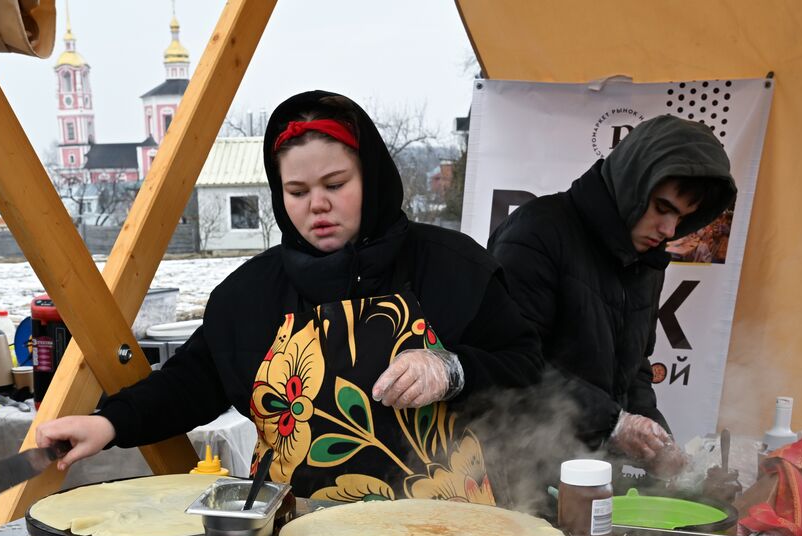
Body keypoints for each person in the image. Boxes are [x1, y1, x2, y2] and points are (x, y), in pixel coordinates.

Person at [38, 91, 542, 503]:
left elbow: (526, 367)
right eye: (297, 191)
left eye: (336, 184)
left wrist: (453, 370)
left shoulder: (453, 266)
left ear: (372, 178)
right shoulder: (249, 295)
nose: (317, 205)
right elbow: (191, 382)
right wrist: (109, 422)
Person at [489, 115, 736, 474]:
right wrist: (613, 423)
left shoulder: (645, 262)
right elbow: (510, 364)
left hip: (592, 471)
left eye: (683, 218)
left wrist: (656, 441)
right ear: (632, 182)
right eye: (662, 208)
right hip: (515, 472)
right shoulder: (536, 232)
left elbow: (634, 370)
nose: (669, 230)